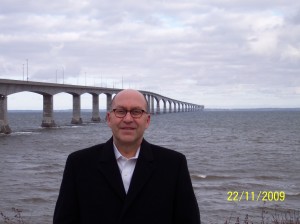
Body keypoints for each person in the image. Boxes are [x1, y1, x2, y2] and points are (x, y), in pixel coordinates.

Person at [53, 89, 201, 224]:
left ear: (147, 120)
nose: (128, 119)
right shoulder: (79, 164)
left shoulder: (174, 165)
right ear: (109, 119)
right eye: (121, 111)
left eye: (136, 112)